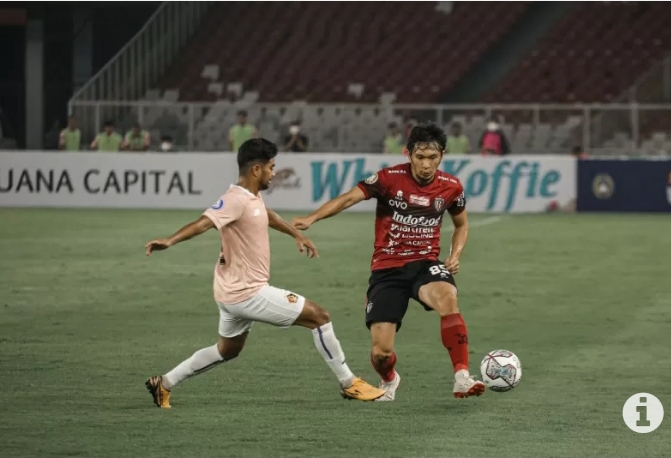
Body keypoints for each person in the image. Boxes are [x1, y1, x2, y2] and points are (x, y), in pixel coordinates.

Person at [144, 138, 385, 408]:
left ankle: (164, 383)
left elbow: (266, 214)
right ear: (256, 169)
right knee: (319, 317)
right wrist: (170, 240)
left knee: (227, 350)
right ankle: (349, 383)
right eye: (271, 167)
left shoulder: (251, 197)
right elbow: (204, 222)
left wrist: (295, 233)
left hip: (230, 292)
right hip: (248, 293)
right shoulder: (234, 199)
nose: (273, 173)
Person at [292, 124, 484, 402]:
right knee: (381, 353)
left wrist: (455, 255)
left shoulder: (451, 187)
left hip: (425, 264)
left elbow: (461, 225)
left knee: (448, 299)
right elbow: (348, 198)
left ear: (442, 154)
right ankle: (390, 378)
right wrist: (312, 218)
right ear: (409, 154)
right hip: (387, 269)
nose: (426, 165)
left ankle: (462, 376)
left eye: (432, 157)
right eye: (420, 157)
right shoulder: (388, 178)